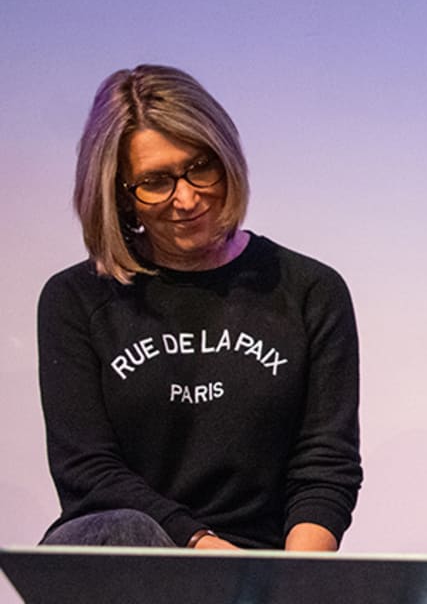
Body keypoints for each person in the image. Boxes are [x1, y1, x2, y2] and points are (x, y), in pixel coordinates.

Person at [38, 65, 362, 551]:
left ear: (226, 159)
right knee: (125, 531)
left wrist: (291, 583)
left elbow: (324, 465)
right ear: (120, 197)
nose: (187, 198)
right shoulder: (76, 299)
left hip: (258, 567)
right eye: (155, 182)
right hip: (129, 561)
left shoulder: (311, 290)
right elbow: (88, 470)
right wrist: (201, 550)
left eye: (199, 167)